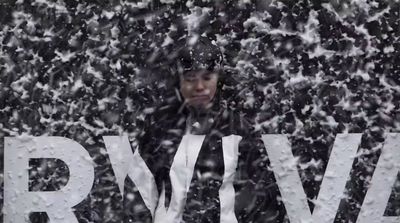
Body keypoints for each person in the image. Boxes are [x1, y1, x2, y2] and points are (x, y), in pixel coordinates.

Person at [127, 36, 285, 223]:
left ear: (218, 79)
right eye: (190, 79)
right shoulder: (159, 131)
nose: (200, 87)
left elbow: (261, 200)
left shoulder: (239, 131)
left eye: (207, 77)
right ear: (178, 81)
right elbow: (139, 193)